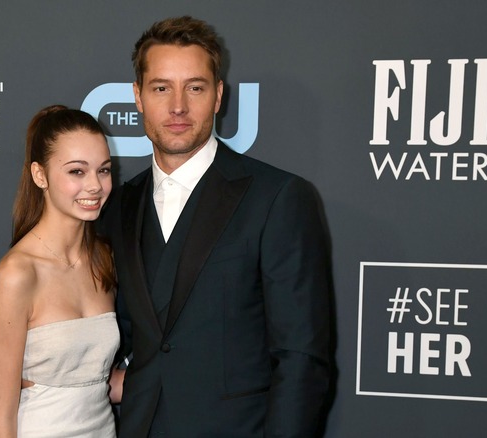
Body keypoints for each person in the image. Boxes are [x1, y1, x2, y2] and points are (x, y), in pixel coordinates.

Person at [99, 16, 331, 437]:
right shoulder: (118, 205)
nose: (178, 107)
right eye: (161, 87)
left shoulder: (277, 198)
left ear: (219, 95)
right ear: (137, 96)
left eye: (195, 87)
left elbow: (301, 357)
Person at [0, 105, 120, 437]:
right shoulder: (19, 273)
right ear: (39, 175)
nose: (94, 186)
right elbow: (1, 418)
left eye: (103, 170)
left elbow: (98, 380)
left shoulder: (105, 258)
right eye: (77, 171)